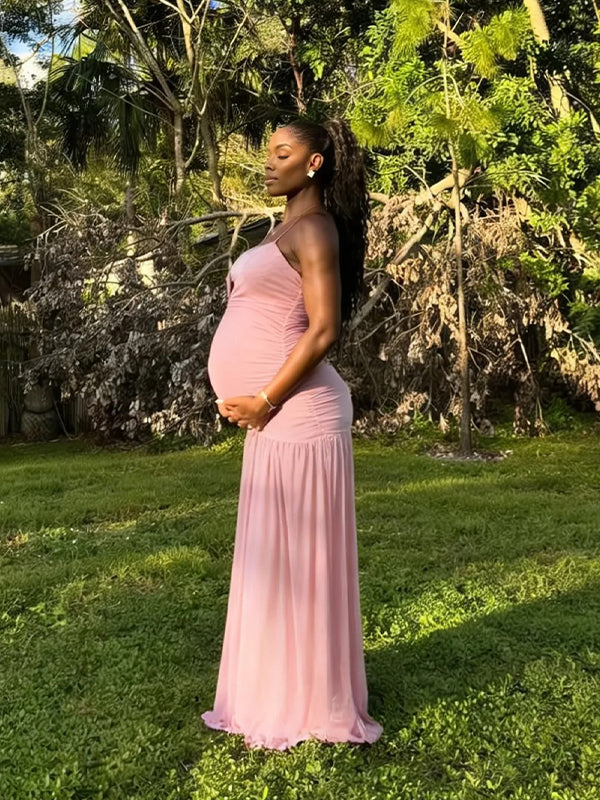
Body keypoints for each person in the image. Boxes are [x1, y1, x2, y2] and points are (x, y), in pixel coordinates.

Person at [201, 118, 383, 751]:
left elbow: (325, 328)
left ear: (314, 164)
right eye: (268, 152)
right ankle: (275, 691)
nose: (269, 162)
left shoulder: (314, 228)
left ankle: (310, 701)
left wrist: (266, 399)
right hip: (275, 418)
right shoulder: (284, 228)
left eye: (282, 153)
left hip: (299, 414)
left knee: (299, 564)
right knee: (274, 562)